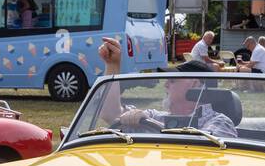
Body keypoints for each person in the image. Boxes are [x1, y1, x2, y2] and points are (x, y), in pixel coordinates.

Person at [93, 43, 238, 138]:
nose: (166, 85)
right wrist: (112, 64)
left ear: (195, 84)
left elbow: (204, 149)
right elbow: (110, 113)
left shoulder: (220, 122)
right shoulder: (156, 116)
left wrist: (150, 124)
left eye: (173, 80)